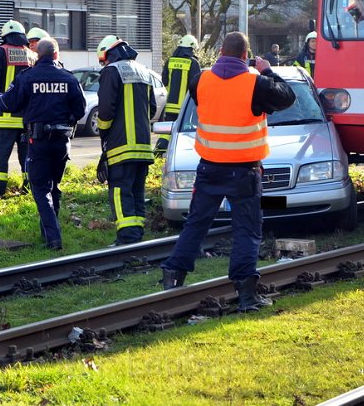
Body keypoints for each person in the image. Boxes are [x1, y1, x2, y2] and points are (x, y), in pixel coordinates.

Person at [161, 32, 296, 312]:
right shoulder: (255, 83)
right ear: (246, 56)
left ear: (221, 51)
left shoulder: (201, 80)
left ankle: (173, 277)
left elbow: (208, 107)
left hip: (209, 168)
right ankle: (246, 295)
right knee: (246, 230)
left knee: (196, 224)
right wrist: (267, 70)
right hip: (244, 172)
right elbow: (287, 98)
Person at [0, 37, 86, 250]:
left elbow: (7, 104)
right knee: (54, 187)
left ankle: (53, 237)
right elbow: (81, 110)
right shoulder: (69, 78)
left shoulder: (27, 77)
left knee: (40, 189)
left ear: (37, 54)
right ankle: (48, 231)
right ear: (56, 55)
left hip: (37, 142)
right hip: (61, 142)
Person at [96, 34, 159, 245]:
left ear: (108, 54)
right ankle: (137, 235)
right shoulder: (145, 72)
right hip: (143, 147)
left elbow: (104, 112)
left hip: (120, 148)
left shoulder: (111, 71)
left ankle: (127, 238)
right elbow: (152, 109)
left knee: (120, 192)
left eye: (103, 60)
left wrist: (104, 133)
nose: (103, 64)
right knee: (137, 191)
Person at [0, 20, 36, 197]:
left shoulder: (1, 52)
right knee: (27, 155)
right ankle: (29, 188)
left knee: (0, 155)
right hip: (26, 117)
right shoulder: (31, 55)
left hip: (4, 116)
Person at [154, 34, 201, 156]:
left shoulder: (170, 61)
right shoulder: (193, 63)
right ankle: (179, 156)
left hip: (170, 105)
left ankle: (158, 154)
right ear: (191, 48)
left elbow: (164, 81)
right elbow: (197, 85)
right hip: (186, 108)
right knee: (185, 133)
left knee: (167, 132)